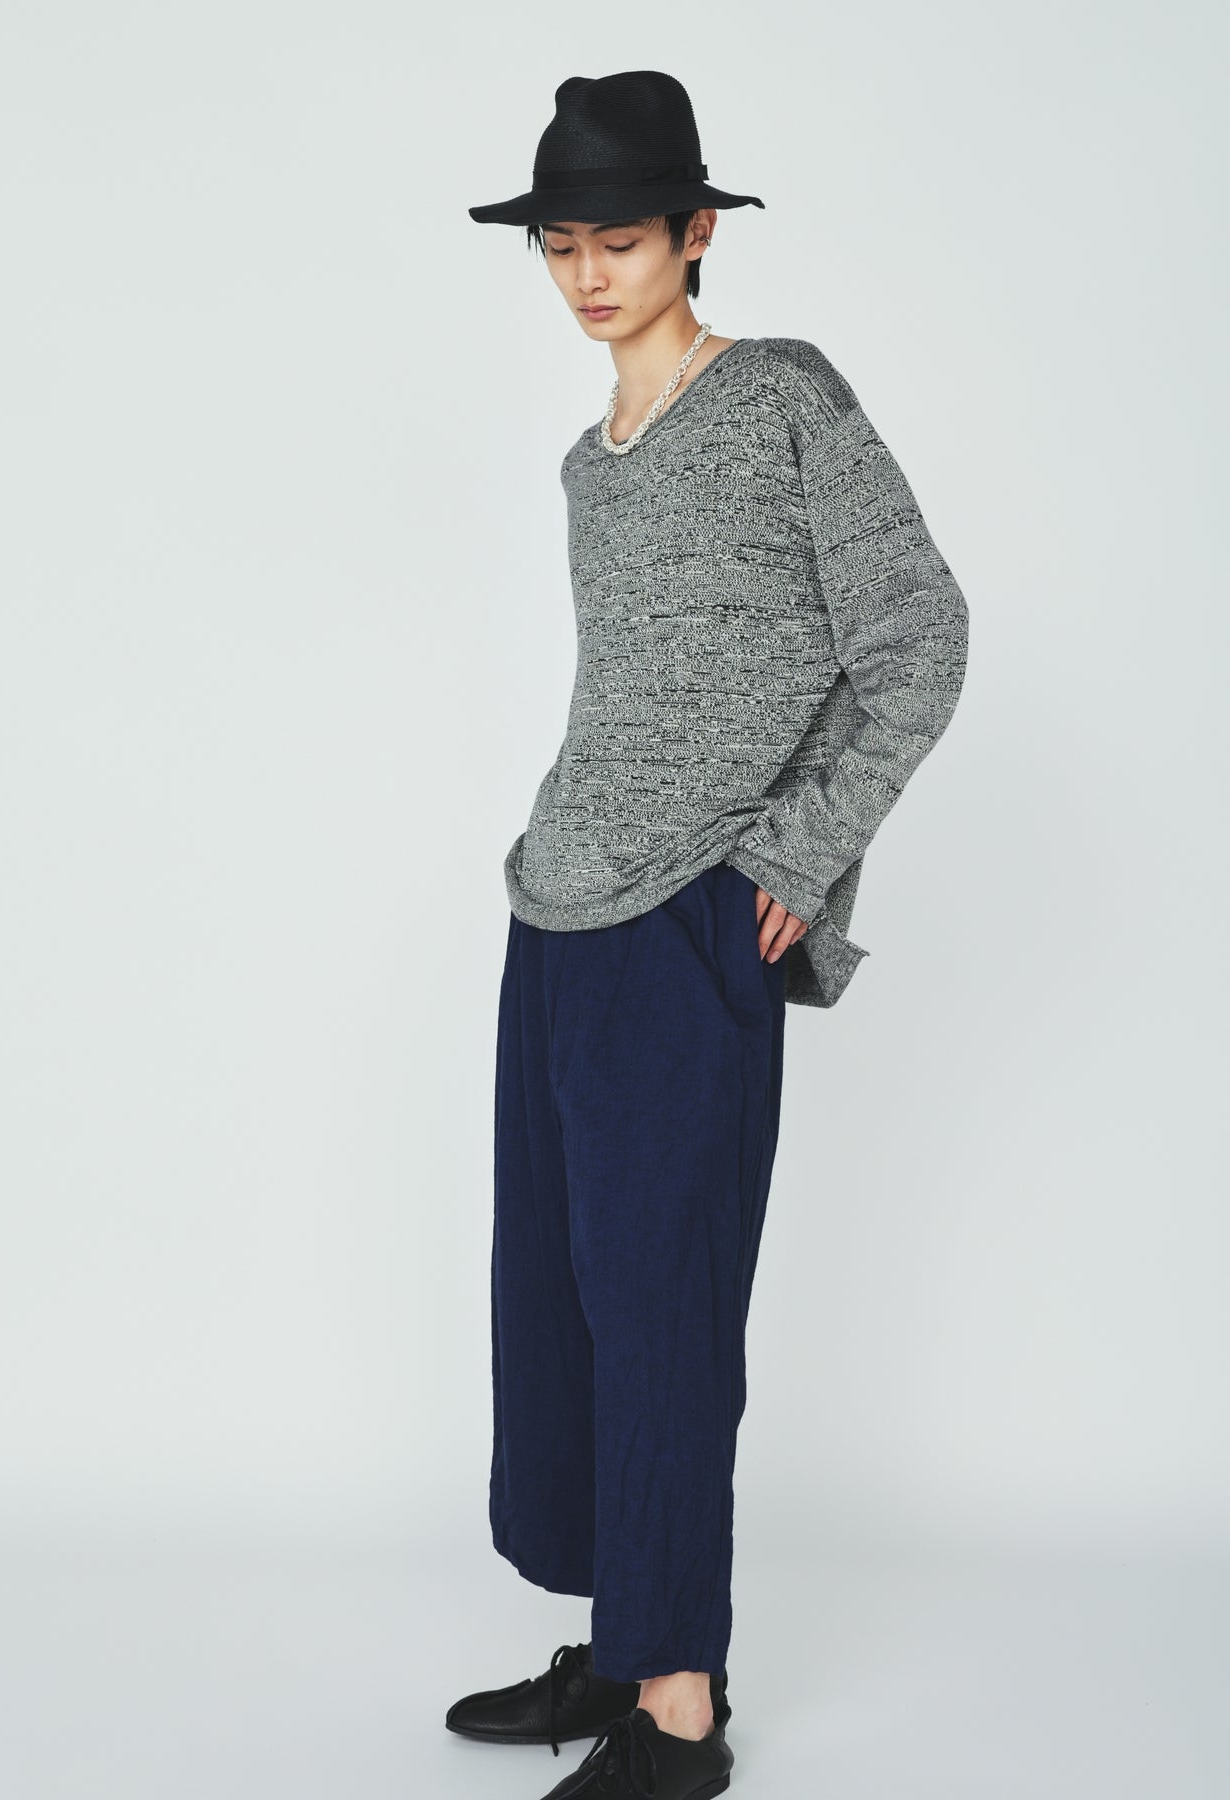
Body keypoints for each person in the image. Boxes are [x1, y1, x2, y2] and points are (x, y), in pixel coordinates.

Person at [446, 69, 970, 1800]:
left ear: (695, 235)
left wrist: (804, 855)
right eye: (560, 246)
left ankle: (681, 1712)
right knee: (561, 1300)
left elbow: (918, 635)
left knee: (664, 1304)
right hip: (558, 911)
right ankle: (623, 1641)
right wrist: (551, 854)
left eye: (619, 239)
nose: (588, 274)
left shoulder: (783, 396)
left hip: (690, 926)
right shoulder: (587, 463)